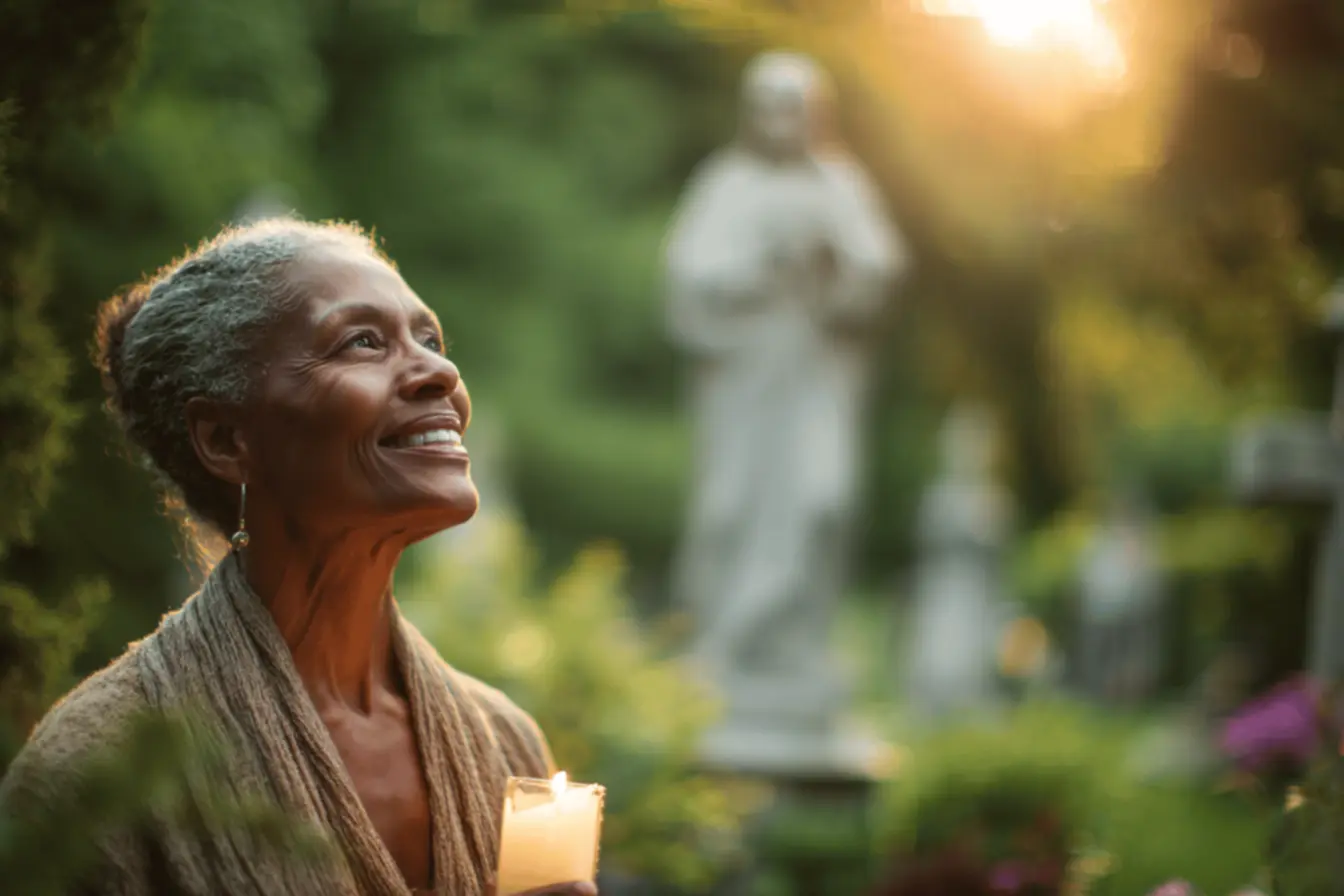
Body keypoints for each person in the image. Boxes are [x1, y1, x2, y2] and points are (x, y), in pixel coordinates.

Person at [0, 219, 596, 896]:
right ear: (226, 439)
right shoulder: (95, 775)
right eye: (362, 342)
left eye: (429, 339)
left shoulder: (504, 745)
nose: (440, 372)